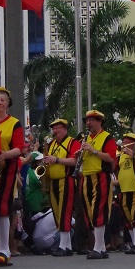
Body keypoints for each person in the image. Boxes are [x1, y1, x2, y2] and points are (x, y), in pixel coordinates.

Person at [0, 86, 24, 265]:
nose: (0, 102)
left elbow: (19, 148)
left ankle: (4, 248)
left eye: (3, 99)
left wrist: (4, 155)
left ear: (8, 103)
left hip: (7, 168)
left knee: (3, 209)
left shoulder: (14, 123)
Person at [77, 110, 116, 260]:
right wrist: (80, 154)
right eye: (87, 120)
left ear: (99, 121)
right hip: (86, 177)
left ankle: (99, 247)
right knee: (89, 213)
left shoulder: (107, 137)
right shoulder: (86, 138)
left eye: (92, 120)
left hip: (100, 176)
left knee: (98, 211)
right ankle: (99, 247)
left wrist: (93, 151)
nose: (88, 123)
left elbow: (110, 157)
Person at [41, 118, 81, 257]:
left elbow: (75, 161)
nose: (55, 131)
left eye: (58, 128)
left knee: (65, 212)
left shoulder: (73, 142)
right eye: (54, 128)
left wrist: (56, 160)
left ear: (65, 129)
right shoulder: (51, 144)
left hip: (67, 180)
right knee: (57, 213)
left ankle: (64, 246)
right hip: (53, 182)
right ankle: (66, 245)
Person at [116, 132, 135, 254]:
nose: (124, 144)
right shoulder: (121, 154)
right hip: (123, 189)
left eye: (127, 142)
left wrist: (134, 155)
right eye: (123, 142)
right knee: (127, 217)